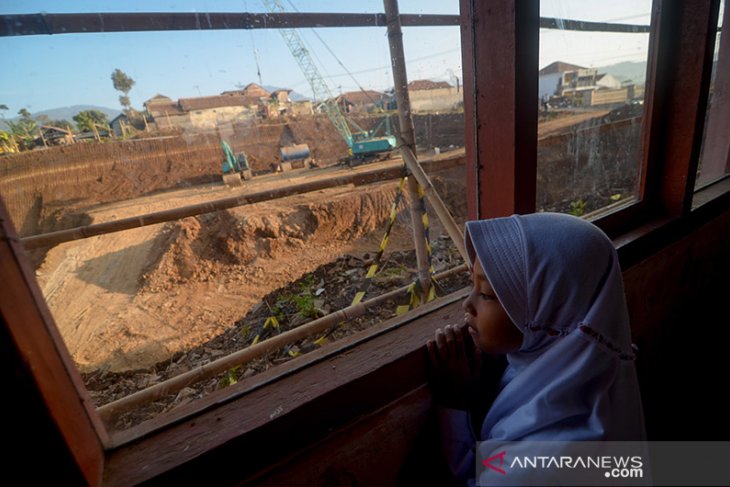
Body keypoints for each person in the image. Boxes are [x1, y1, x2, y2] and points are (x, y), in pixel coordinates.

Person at [427, 213, 646, 485]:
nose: (467, 304)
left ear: (550, 312)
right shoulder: (596, 370)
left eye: (486, 294)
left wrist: (454, 403)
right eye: (473, 286)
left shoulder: (544, 462)